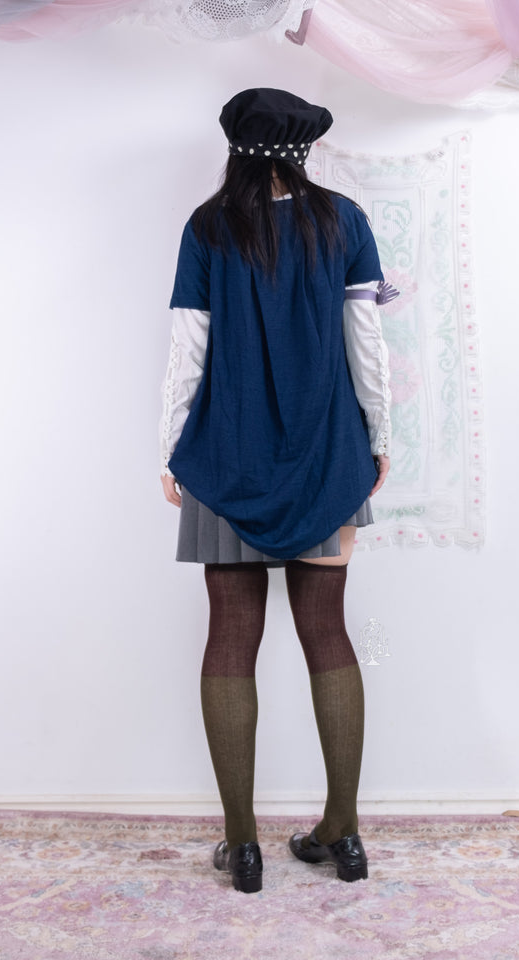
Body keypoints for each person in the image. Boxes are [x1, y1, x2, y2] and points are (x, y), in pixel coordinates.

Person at [159, 88, 393, 894]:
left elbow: (188, 348)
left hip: (228, 456)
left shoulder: (208, 226)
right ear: (304, 148)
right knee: (328, 631)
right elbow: (367, 341)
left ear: (237, 148)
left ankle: (243, 845)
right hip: (326, 454)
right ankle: (344, 834)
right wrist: (380, 437)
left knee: (230, 636)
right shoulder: (345, 222)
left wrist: (170, 449)